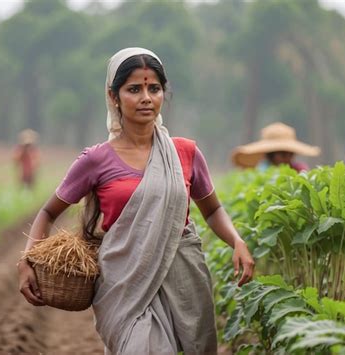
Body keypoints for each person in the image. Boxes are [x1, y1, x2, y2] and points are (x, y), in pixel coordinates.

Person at [17, 47, 255, 354]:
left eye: (154, 88)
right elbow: (48, 212)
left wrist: (236, 241)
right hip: (125, 284)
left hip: (183, 280)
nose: (146, 97)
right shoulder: (96, 160)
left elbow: (212, 210)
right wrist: (26, 259)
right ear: (113, 96)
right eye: (134, 89)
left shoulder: (186, 153)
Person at [231, 122, 320, 172]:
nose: (287, 158)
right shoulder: (263, 170)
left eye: (291, 154)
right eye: (283, 154)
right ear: (271, 155)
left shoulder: (299, 168)